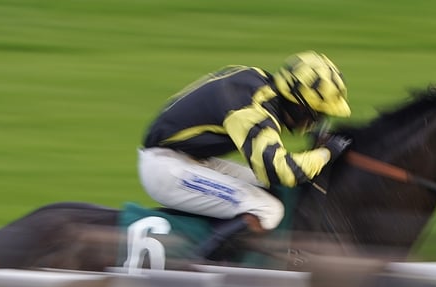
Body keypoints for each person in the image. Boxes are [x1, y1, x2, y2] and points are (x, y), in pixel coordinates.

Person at [138, 51, 352, 259]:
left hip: (189, 159)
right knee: (268, 209)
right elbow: (281, 171)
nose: (315, 123)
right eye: (316, 115)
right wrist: (326, 154)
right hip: (166, 169)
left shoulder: (258, 83)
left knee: (275, 192)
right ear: (298, 105)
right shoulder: (250, 111)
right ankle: (198, 269)